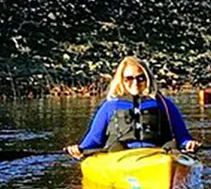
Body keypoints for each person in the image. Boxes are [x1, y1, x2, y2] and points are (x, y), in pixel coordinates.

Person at [65, 56, 200, 158]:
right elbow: (94, 139)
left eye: (140, 78)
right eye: (129, 78)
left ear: (147, 79)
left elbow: (182, 135)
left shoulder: (164, 104)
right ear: (122, 80)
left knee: (171, 145)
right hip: (121, 155)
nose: (135, 83)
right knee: (115, 146)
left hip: (157, 155)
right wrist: (79, 149)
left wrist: (188, 144)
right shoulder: (109, 106)